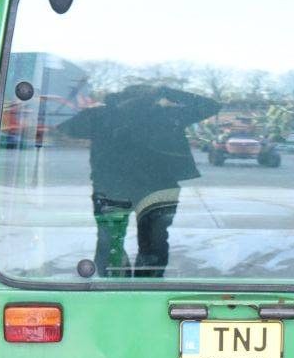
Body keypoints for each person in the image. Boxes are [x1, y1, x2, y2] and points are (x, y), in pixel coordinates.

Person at [60, 83, 219, 276]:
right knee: (152, 244)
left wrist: (79, 104)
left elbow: (66, 127)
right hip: (156, 189)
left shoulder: (101, 115)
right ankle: (145, 287)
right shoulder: (166, 114)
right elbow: (210, 105)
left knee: (110, 242)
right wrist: (167, 91)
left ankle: (115, 288)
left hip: (114, 188)